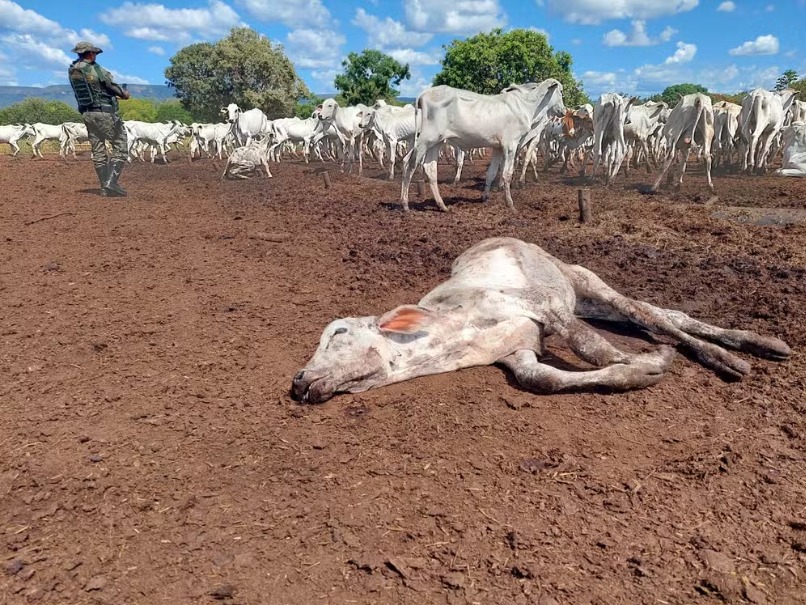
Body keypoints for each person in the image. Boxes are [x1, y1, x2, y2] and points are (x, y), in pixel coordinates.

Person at [68, 41, 131, 197]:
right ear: (90, 53)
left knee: (98, 149)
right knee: (120, 144)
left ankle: (104, 187)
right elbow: (109, 85)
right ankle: (111, 183)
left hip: (87, 113)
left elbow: (94, 88)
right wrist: (123, 93)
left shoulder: (73, 70)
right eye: (94, 53)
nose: (95, 56)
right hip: (104, 112)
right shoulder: (95, 69)